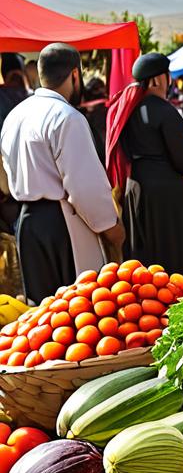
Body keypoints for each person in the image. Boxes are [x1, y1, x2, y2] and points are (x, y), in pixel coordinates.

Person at [0, 43, 124, 303]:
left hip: (26, 222)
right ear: (75, 75)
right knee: (77, 310)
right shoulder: (67, 116)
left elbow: (8, 176)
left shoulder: (15, 116)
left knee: (44, 314)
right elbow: (84, 187)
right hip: (62, 224)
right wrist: (111, 226)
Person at [105, 52, 183, 286]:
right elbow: (182, 160)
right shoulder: (164, 110)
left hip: (135, 187)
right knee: (173, 256)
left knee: (145, 257)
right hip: (165, 191)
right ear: (159, 79)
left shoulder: (126, 110)